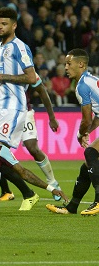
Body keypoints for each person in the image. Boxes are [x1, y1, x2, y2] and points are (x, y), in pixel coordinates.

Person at [0, 7, 59, 210]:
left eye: (4, 23)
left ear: (14, 25)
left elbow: (32, 78)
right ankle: (25, 193)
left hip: (13, 109)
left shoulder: (20, 48)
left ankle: (28, 192)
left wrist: (2, 76)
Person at [46, 49, 99, 216]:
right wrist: (87, 132)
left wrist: (80, 134)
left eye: (69, 64)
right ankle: (72, 207)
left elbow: (86, 120)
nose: (66, 67)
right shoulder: (91, 80)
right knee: (86, 167)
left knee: (90, 152)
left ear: (81, 64)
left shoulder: (82, 85)